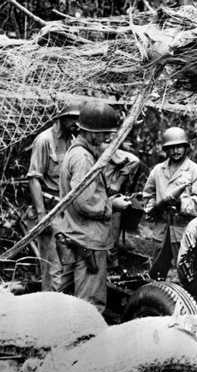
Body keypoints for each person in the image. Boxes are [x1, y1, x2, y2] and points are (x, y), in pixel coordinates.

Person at [57, 101, 131, 313]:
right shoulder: (83, 158)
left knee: (69, 298)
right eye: (104, 133)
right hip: (87, 239)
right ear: (90, 132)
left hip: (75, 234)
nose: (108, 138)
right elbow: (85, 202)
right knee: (89, 306)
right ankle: (83, 342)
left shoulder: (77, 152)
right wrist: (112, 205)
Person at [26, 100, 83, 291]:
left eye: (78, 118)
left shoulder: (73, 142)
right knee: (52, 270)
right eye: (72, 118)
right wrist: (42, 216)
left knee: (68, 267)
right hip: (50, 211)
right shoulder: (45, 141)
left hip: (67, 212)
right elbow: (34, 178)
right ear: (61, 117)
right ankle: (47, 311)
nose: (77, 122)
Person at [143, 127, 197, 280]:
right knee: (157, 272)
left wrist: (181, 204)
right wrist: (153, 209)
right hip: (161, 230)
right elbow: (148, 194)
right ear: (166, 149)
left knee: (186, 271)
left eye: (179, 146)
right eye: (171, 148)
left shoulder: (195, 171)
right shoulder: (158, 170)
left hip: (183, 230)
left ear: (186, 147)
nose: (175, 151)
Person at [99, 141, 141, 273]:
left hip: (110, 198)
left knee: (111, 240)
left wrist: (117, 184)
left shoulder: (103, 147)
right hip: (92, 199)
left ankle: (111, 271)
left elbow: (134, 161)